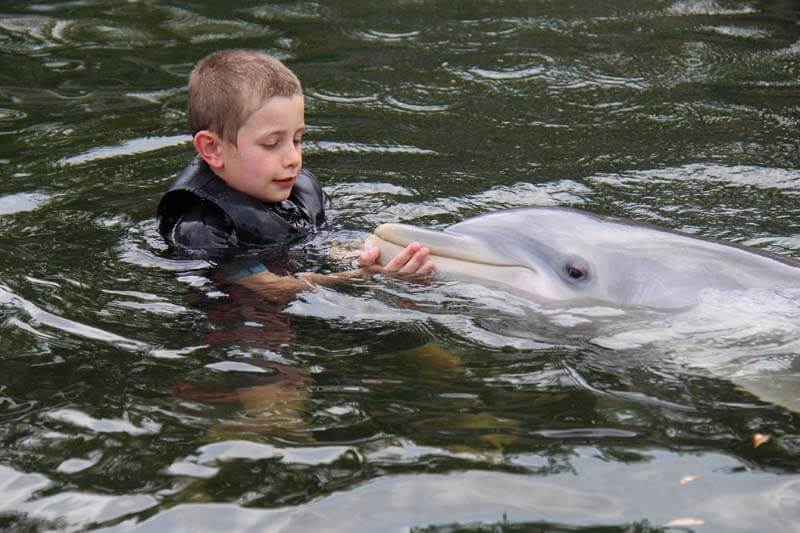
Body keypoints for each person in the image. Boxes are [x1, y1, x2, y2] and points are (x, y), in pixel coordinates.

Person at [157, 49, 434, 299]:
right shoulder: (202, 229)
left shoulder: (300, 193)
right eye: (271, 143)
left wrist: (380, 258)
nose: (293, 158)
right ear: (213, 149)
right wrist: (369, 277)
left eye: (298, 139)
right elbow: (274, 289)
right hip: (244, 324)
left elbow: (330, 244)